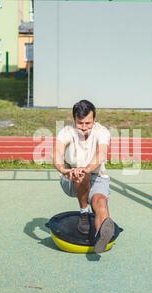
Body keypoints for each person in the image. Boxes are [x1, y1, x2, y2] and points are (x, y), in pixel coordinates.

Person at [53, 100, 115, 253]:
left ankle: (102, 234)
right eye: (80, 123)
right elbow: (57, 154)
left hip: (96, 175)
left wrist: (88, 168)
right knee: (81, 175)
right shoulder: (66, 132)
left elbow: (101, 154)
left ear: (94, 120)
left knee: (100, 202)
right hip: (71, 177)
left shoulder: (102, 132)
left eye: (88, 123)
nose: (85, 127)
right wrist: (63, 169)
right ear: (74, 120)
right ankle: (84, 213)